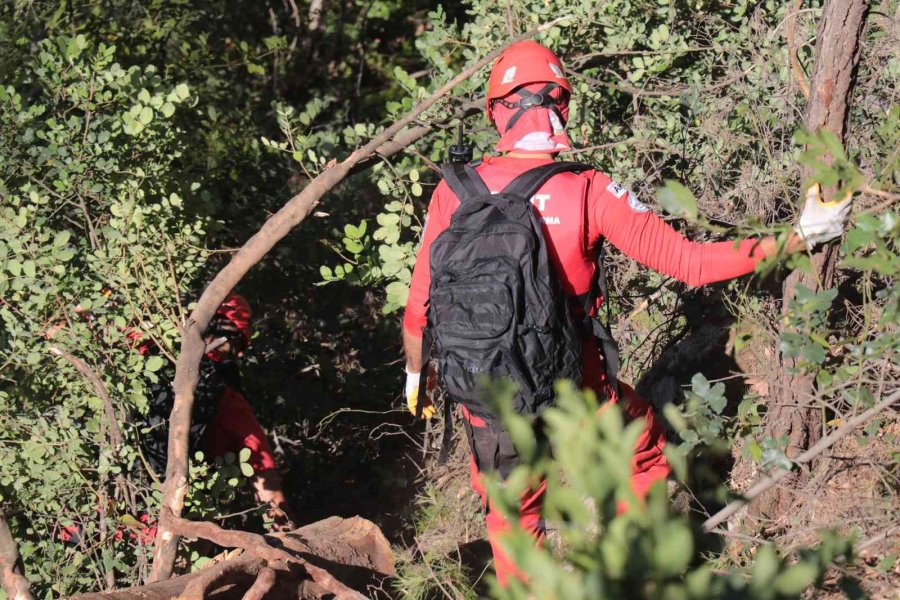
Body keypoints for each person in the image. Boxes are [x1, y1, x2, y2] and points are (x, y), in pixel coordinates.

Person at [401, 41, 851, 587]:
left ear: (496, 110)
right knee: (642, 459)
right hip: (578, 387)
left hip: (489, 399)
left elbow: (419, 304)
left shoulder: (454, 191)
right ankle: (631, 578)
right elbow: (691, 262)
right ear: (561, 106)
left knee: (514, 520)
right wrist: (799, 236)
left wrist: (415, 374)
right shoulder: (587, 190)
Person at [143, 293, 295, 532]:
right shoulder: (223, 395)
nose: (240, 354)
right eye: (236, 344)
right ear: (216, 329)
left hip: (95, 517)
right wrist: (287, 537)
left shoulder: (142, 359)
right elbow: (264, 473)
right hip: (170, 525)